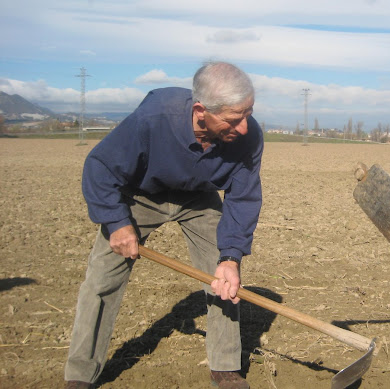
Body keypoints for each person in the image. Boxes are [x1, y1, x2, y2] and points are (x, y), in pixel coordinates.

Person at [64, 62, 262, 389]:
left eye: (249, 113)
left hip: (199, 197)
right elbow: (99, 168)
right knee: (101, 279)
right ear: (201, 111)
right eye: (233, 118)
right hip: (141, 194)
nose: (244, 127)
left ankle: (225, 367)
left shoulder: (248, 136)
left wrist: (230, 256)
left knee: (224, 279)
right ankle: (81, 374)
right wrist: (116, 222)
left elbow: (243, 197)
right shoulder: (153, 118)